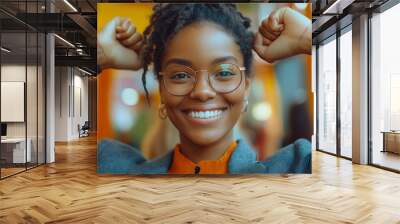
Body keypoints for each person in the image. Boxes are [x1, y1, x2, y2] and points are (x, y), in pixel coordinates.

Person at [97, 3, 312, 174]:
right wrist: (100, 56)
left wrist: (307, 37)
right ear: (162, 91)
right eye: (181, 75)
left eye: (224, 73)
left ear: (246, 87)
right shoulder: (114, 166)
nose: (202, 91)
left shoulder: (298, 165)